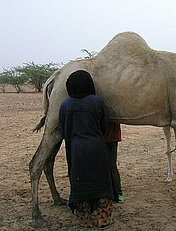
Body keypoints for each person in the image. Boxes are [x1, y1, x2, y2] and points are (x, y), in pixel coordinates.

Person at [58, 70, 116, 229]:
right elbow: (104, 125)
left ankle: (86, 220)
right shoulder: (97, 102)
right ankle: (103, 220)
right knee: (102, 182)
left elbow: (62, 130)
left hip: (76, 149)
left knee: (80, 182)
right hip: (97, 147)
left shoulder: (65, 105)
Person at [104, 122, 124, 203]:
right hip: (113, 136)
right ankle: (118, 194)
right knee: (112, 165)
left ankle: (116, 194)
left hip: (105, 136)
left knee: (109, 166)